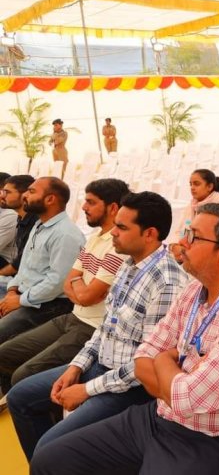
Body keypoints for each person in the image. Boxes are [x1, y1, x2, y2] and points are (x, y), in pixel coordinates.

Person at [30, 204, 219, 475]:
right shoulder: (195, 289)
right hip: (159, 415)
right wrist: (173, 376)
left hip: (208, 439)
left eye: (193, 237)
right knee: (50, 460)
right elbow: (143, 359)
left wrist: (165, 361)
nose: (181, 243)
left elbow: (189, 398)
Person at [6, 191, 189, 459]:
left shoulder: (167, 283)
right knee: (19, 397)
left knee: (51, 447)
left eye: (122, 227)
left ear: (149, 234)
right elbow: (106, 326)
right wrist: (76, 366)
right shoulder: (129, 264)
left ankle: (50, 462)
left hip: (128, 386)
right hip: (99, 365)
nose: (112, 232)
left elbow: (146, 364)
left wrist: (86, 389)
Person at [0, 179, 130, 396]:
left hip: (74, 317)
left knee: (22, 374)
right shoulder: (93, 238)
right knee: (4, 353)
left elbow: (77, 291)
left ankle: (23, 404)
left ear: (113, 207)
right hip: (69, 315)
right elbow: (68, 281)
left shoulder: (111, 244)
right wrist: (13, 291)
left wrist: (76, 286)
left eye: (90, 202)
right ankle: (13, 399)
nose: (83, 207)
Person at [0, 178, 85, 345]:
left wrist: (19, 300)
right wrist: (12, 291)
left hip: (48, 305)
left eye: (31, 192)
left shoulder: (65, 234)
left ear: (50, 199)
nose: (25, 195)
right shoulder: (40, 225)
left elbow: (57, 282)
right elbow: (24, 267)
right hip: (26, 296)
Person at [169, 169, 219, 258]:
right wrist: (174, 246)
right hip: (187, 253)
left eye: (196, 184)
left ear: (209, 187)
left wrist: (184, 251)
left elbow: (211, 243)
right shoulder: (193, 205)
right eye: (191, 184)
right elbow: (181, 231)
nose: (192, 187)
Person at [0, 175, 38, 285]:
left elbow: (22, 262)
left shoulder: (35, 222)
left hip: (24, 282)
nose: (3, 196)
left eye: (7, 192)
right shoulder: (21, 217)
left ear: (25, 194)